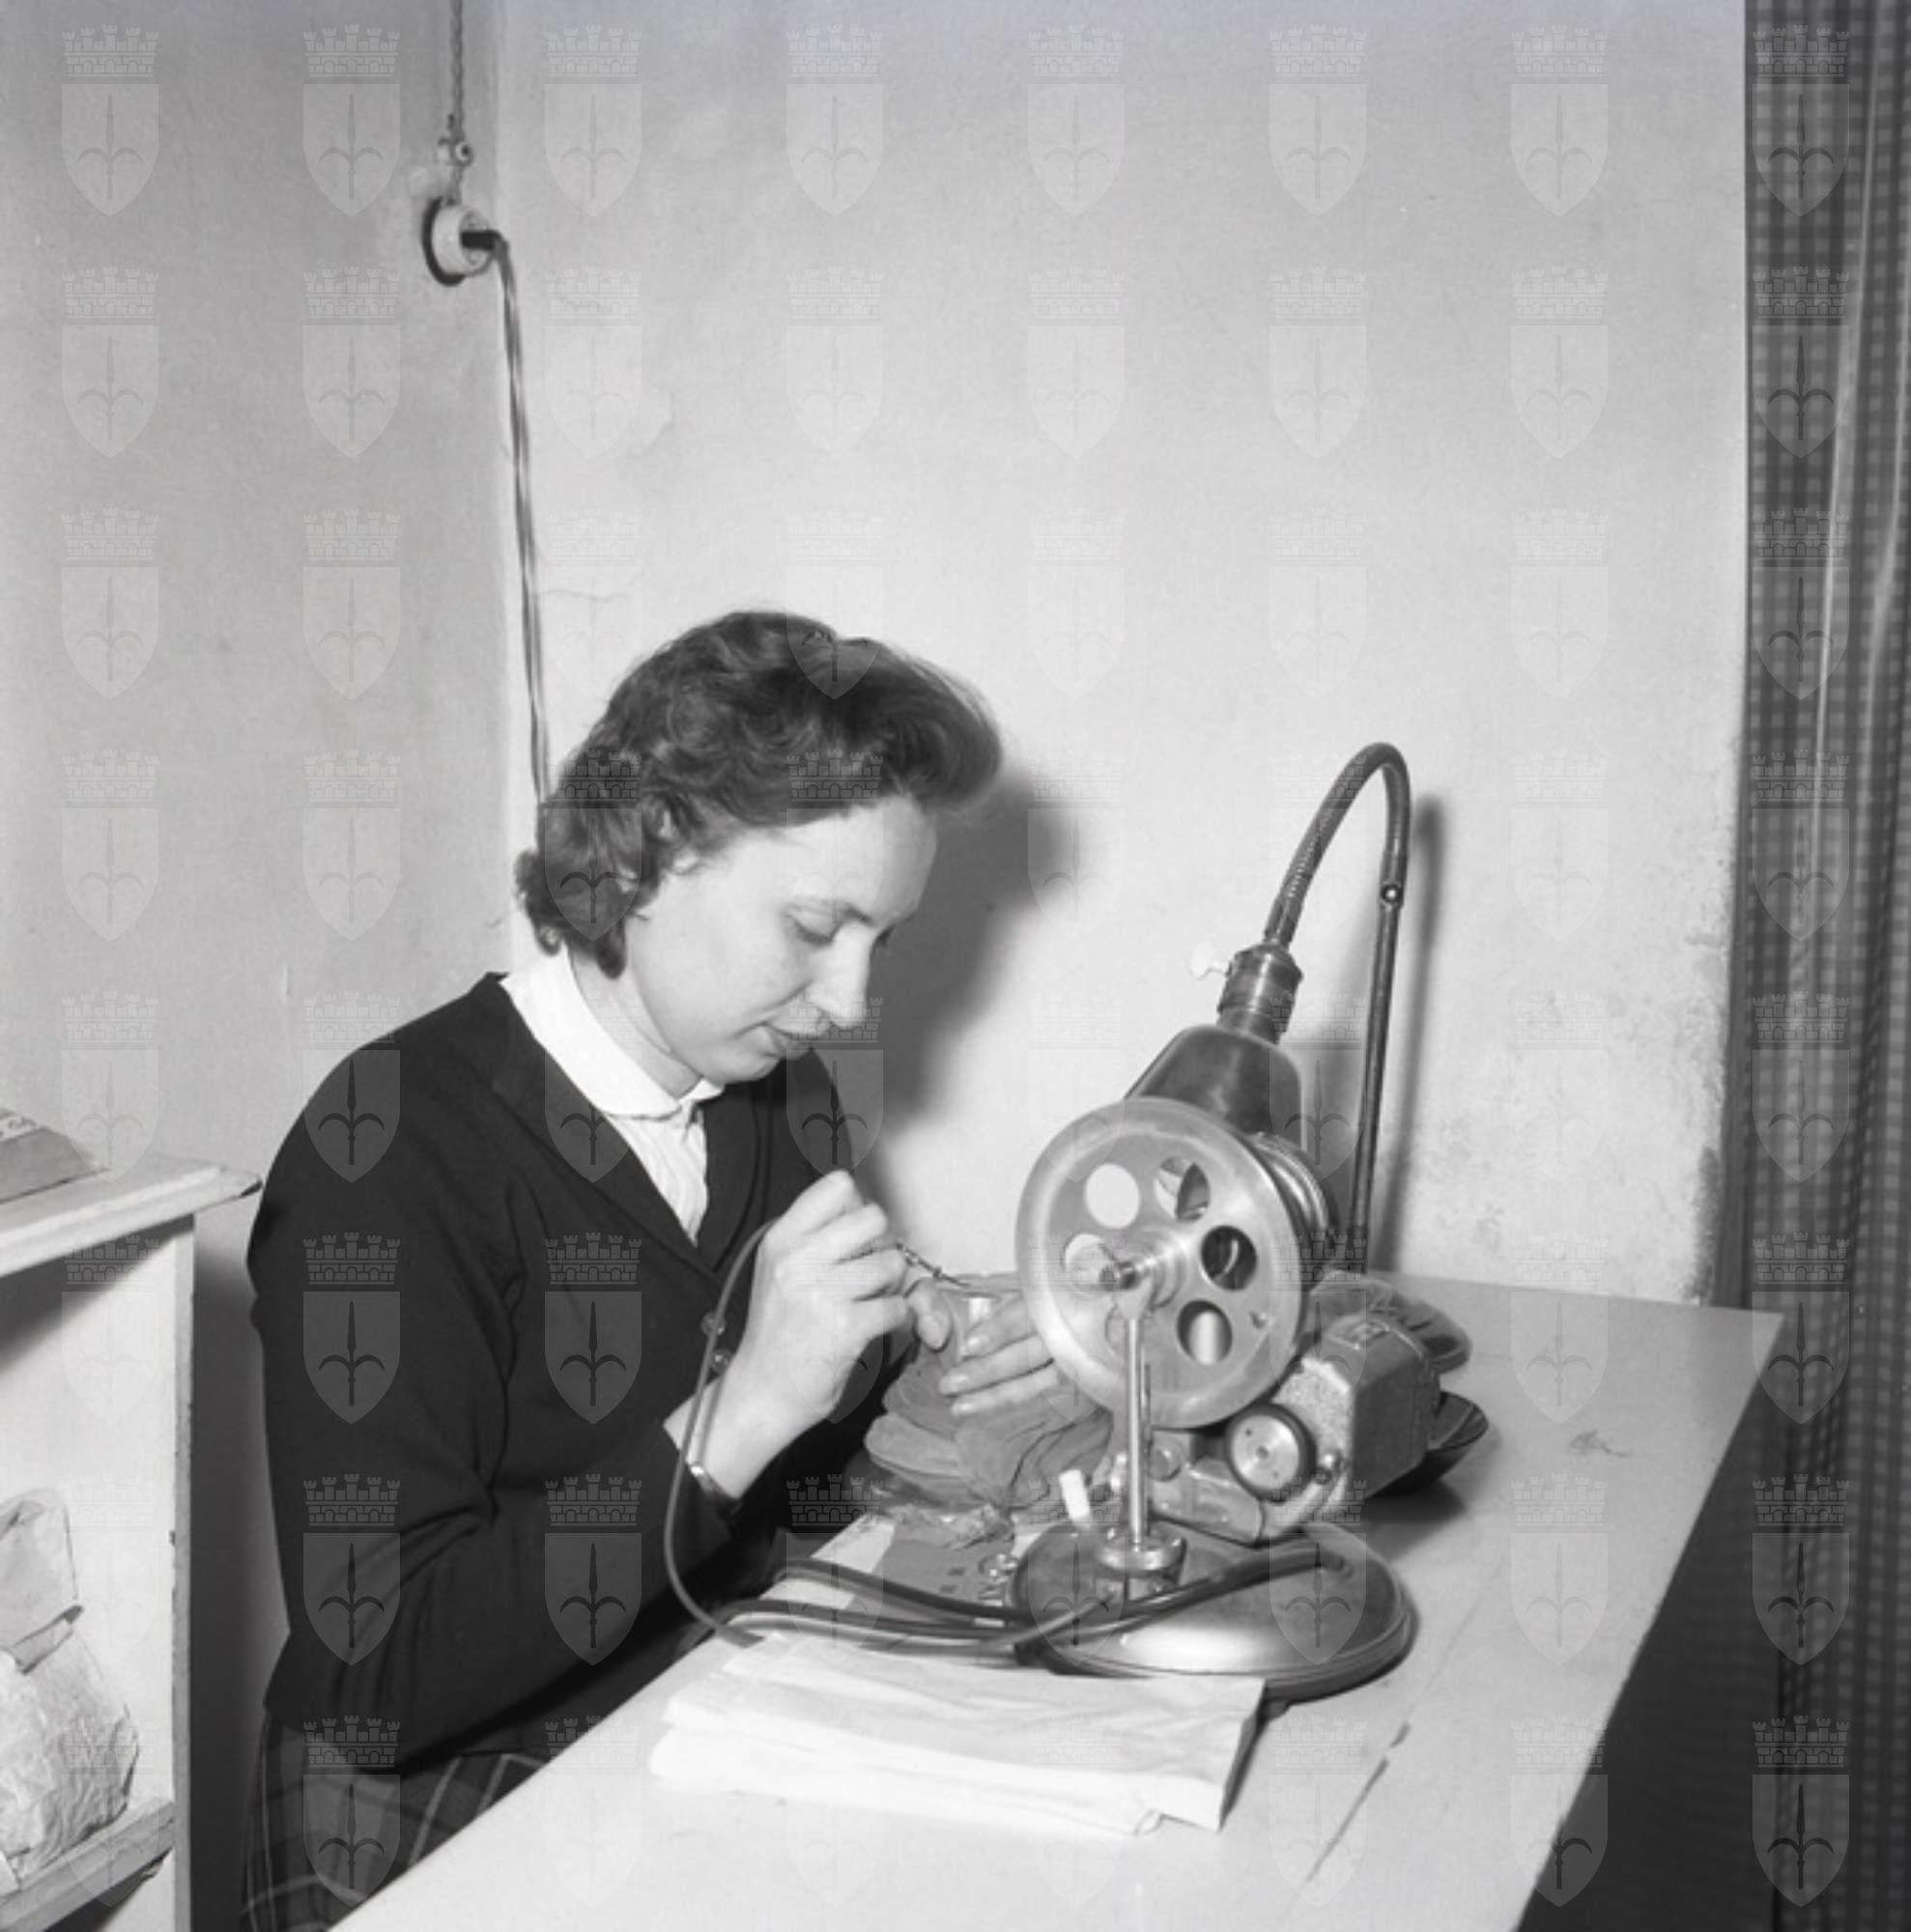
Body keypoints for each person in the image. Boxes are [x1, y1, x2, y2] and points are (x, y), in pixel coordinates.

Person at [238, 611, 1054, 1927]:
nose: (850, 1002)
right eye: (814, 926)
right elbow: (374, 1673)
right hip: (423, 1822)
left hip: (670, 1728)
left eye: (881, 941)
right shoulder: (384, 1149)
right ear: (653, 851)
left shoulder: (772, 1097)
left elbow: (785, 1485)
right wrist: (743, 1409)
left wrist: (929, 1368)